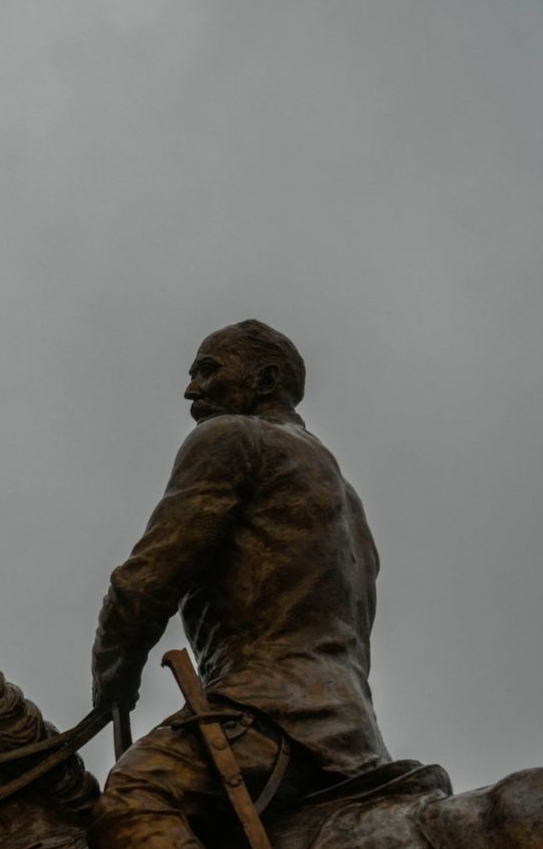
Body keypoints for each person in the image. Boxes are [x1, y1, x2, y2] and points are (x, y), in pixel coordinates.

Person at [88, 320, 392, 848]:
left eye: (208, 371)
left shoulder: (233, 438)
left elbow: (147, 582)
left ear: (266, 379)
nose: (191, 390)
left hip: (269, 715)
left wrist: (112, 681)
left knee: (133, 799)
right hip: (352, 733)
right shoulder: (348, 502)